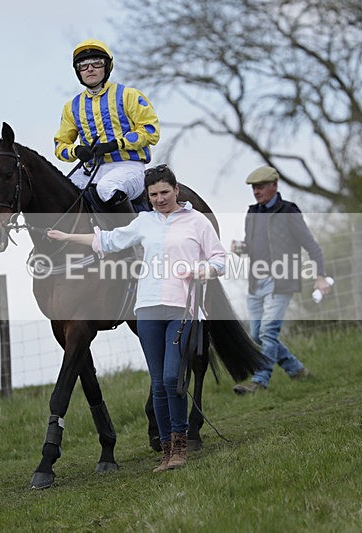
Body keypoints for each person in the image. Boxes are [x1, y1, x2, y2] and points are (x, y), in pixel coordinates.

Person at [47, 165, 226, 472]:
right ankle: (167, 451)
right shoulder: (143, 222)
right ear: (147, 196)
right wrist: (66, 236)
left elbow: (220, 259)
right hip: (147, 310)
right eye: (153, 194)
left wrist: (204, 270)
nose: (160, 199)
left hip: (182, 309)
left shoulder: (197, 221)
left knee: (172, 378)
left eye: (165, 192)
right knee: (158, 383)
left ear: (176, 190)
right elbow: (108, 241)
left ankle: (179, 445)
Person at [231, 166, 332, 395]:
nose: (256, 192)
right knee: (257, 335)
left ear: (274, 185)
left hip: (281, 281)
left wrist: (320, 276)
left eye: (260, 187)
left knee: (268, 332)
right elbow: (255, 247)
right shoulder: (252, 213)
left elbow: (311, 246)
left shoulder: (289, 211)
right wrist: (242, 248)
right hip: (256, 282)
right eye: (253, 188)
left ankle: (259, 381)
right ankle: (297, 370)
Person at [53, 39, 160, 212]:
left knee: (107, 187)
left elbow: (150, 131)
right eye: (83, 65)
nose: (90, 69)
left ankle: (132, 229)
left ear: (107, 66)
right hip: (91, 170)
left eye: (96, 62)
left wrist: (117, 144)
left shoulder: (129, 95)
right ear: (78, 72)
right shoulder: (71, 106)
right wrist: (76, 150)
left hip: (129, 166)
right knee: (60, 193)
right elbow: (60, 145)